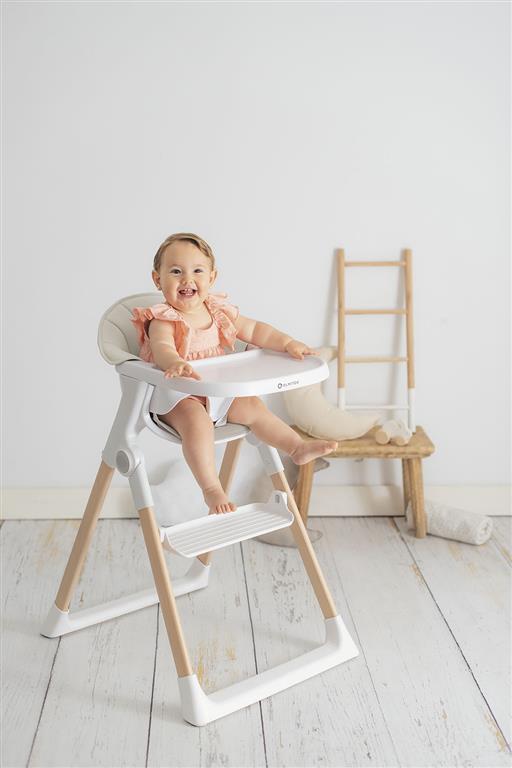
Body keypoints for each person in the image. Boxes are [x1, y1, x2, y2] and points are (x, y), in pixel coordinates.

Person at [132, 233, 337, 515]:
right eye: (176, 271)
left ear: (212, 277)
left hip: (218, 390)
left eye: (197, 271)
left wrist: (287, 343)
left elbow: (255, 330)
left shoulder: (217, 311)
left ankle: (296, 447)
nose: (187, 279)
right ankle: (211, 488)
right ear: (158, 279)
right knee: (197, 422)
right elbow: (162, 347)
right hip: (177, 395)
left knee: (253, 406)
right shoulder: (163, 318)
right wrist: (174, 362)